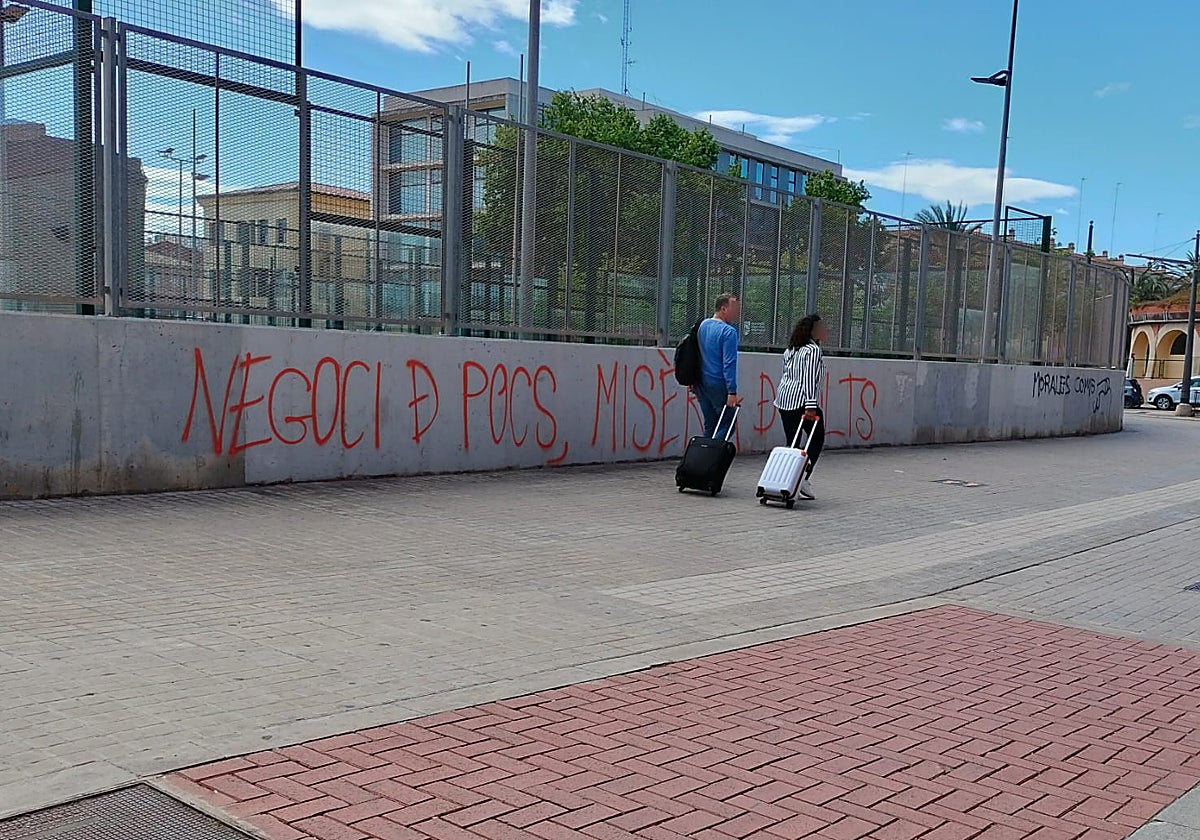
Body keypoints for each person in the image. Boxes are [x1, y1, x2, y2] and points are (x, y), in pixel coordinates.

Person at [775, 314, 828, 500]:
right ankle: (803, 477)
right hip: (801, 402)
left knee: (792, 443)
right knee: (817, 438)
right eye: (822, 327)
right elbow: (809, 379)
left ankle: (787, 481)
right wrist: (811, 406)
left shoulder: (792, 349)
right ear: (813, 331)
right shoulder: (812, 350)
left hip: (784, 400)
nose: (825, 330)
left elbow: (786, 374)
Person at [695, 293, 742, 440]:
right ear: (723, 308)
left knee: (710, 423)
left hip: (701, 382)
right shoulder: (729, 332)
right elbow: (729, 363)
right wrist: (732, 391)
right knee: (728, 423)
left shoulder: (703, 326)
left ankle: (704, 457)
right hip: (718, 383)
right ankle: (714, 457)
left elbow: (696, 354)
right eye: (734, 308)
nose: (737, 312)